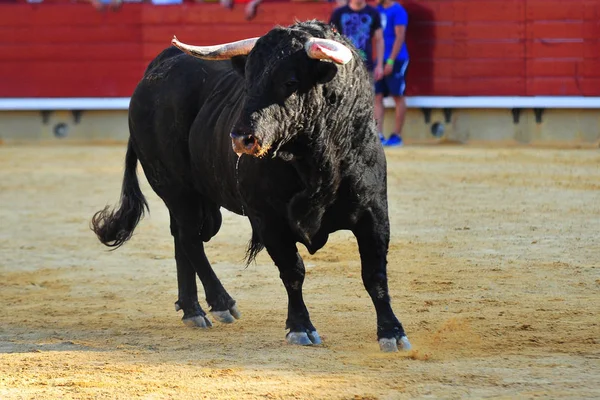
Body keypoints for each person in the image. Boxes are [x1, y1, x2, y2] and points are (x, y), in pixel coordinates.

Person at [374, 0, 409, 147]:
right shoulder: (377, 10)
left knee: (397, 96)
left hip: (396, 59)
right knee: (377, 95)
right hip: (380, 60)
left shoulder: (398, 11)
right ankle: (378, 135)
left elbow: (399, 37)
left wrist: (390, 61)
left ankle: (397, 135)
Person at [329, 0, 384, 83]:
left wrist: (379, 65)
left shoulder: (373, 12)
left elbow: (379, 40)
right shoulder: (339, 13)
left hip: (366, 65)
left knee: (368, 94)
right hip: (343, 66)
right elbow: (331, 38)